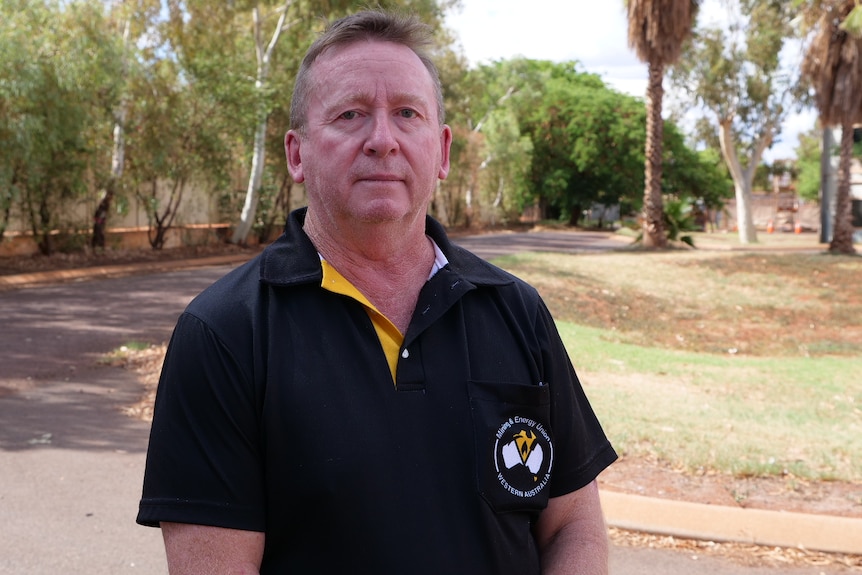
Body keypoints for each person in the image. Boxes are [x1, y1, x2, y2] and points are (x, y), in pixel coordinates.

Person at [137, 9, 617, 574]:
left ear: (440, 152)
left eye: (406, 114)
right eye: (350, 115)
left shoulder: (516, 310)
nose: (382, 141)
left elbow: (573, 526)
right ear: (298, 153)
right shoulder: (224, 333)